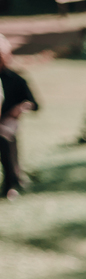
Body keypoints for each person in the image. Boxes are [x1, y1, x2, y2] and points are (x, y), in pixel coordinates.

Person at [0, 34, 38, 200]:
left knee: (4, 138)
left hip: (8, 122)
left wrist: (21, 108)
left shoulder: (16, 79)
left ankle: (11, 184)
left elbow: (35, 104)